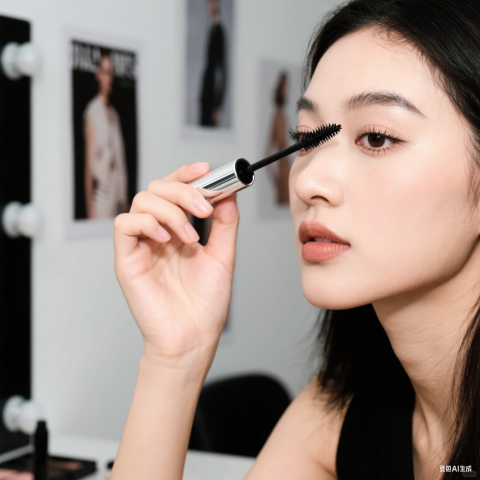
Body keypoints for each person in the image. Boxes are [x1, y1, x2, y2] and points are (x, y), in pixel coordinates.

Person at [111, 0, 480, 478]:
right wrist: (175, 359)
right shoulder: (337, 409)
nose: (307, 181)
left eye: (376, 138)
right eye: (306, 139)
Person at [84, 51, 129, 219]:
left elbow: (120, 159)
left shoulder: (114, 115)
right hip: (101, 195)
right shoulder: (92, 112)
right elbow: (89, 167)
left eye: (111, 73)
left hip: (117, 192)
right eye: (105, 72)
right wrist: (90, 213)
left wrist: (124, 198)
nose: (109, 78)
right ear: (98, 74)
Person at [198, 0, 227, 127]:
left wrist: (218, 106)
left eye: (213, 2)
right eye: (209, 3)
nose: (210, 5)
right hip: (206, 92)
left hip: (212, 95)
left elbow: (223, 70)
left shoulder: (219, 31)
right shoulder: (211, 29)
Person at [264, 72, 291, 204]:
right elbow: (267, 152)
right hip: (282, 172)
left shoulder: (283, 114)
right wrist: (276, 181)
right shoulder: (277, 115)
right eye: (284, 87)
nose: (286, 91)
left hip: (287, 169)